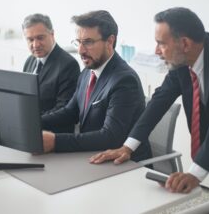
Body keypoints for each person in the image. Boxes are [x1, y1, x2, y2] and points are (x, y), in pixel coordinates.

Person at [90, 7, 209, 213]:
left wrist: (195, 174)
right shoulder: (182, 62)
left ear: (185, 43)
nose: (156, 50)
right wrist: (127, 147)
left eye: (161, 43)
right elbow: (159, 101)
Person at [40, 10, 151, 162]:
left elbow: (110, 137)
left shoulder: (124, 80)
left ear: (110, 42)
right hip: (92, 158)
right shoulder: (88, 71)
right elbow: (69, 112)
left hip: (125, 166)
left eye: (88, 42)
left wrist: (55, 142)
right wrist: (34, 122)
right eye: (78, 42)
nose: (80, 50)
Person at [22, 14, 80, 131]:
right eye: (30, 39)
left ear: (52, 35)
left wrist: (31, 122)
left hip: (53, 134)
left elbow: (63, 110)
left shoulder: (68, 65)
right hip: (30, 130)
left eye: (40, 38)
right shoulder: (30, 60)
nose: (35, 45)